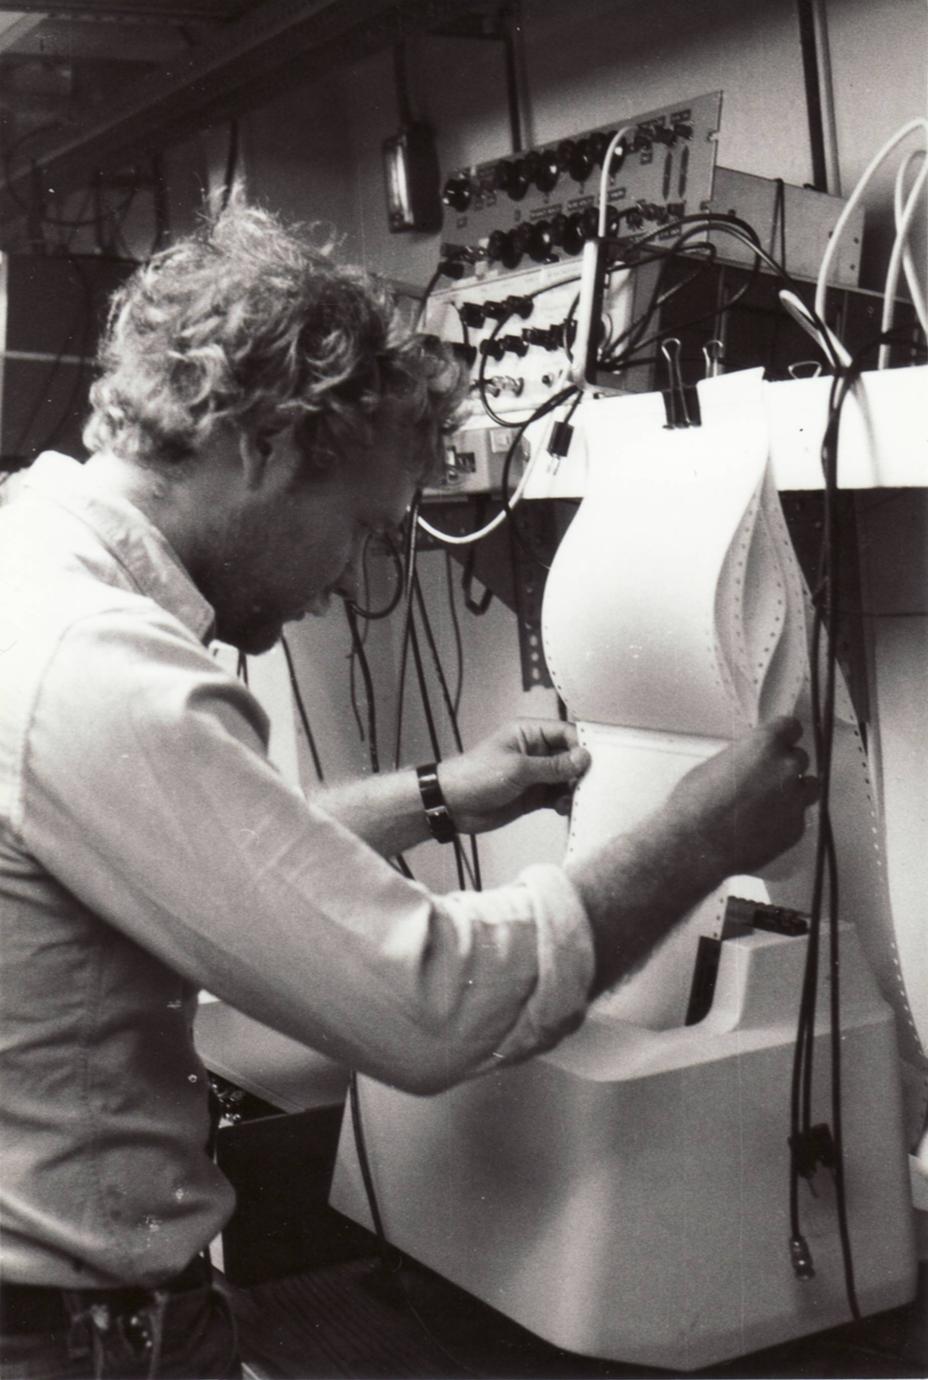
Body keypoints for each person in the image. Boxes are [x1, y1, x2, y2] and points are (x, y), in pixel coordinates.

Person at [0, 198, 817, 1379]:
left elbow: (172, 854)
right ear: (266, 447)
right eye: (363, 528)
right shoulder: (101, 661)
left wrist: (438, 796)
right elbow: (425, 1005)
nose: (349, 578)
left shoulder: (32, 567)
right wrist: (700, 836)